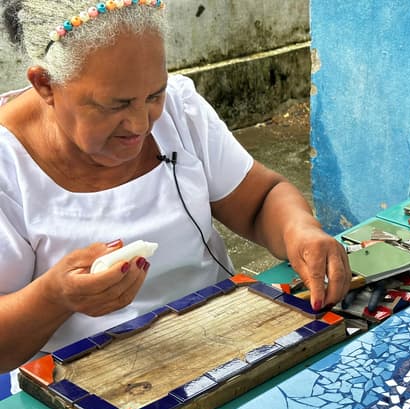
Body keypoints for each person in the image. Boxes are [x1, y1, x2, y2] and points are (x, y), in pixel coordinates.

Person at [0, 0, 352, 374]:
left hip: (225, 343)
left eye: (154, 95)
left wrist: (300, 232)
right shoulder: (9, 165)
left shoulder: (179, 110)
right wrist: (54, 298)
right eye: (113, 105)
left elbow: (261, 199)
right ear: (45, 85)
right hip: (88, 384)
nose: (139, 124)